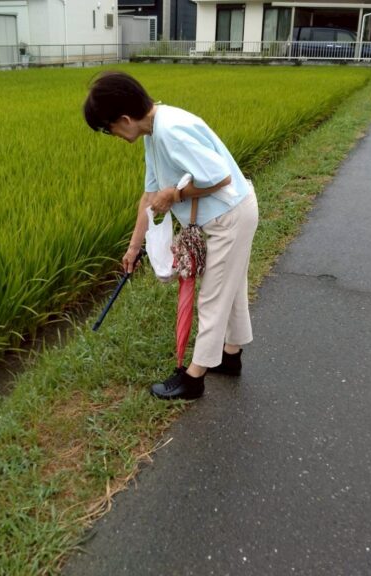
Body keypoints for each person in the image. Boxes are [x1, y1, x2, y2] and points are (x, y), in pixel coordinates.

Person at [83, 71, 259, 400]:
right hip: (229, 214)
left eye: (109, 130)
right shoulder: (154, 132)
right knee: (231, 290)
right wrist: (134, 248)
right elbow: (149, 198)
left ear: (124, 119)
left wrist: (175, 195)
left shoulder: (171, 131)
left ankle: (193, 379)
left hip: (230, 216)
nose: (113, 135)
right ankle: (230, 357)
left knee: (213, 298)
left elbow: (218, 177)